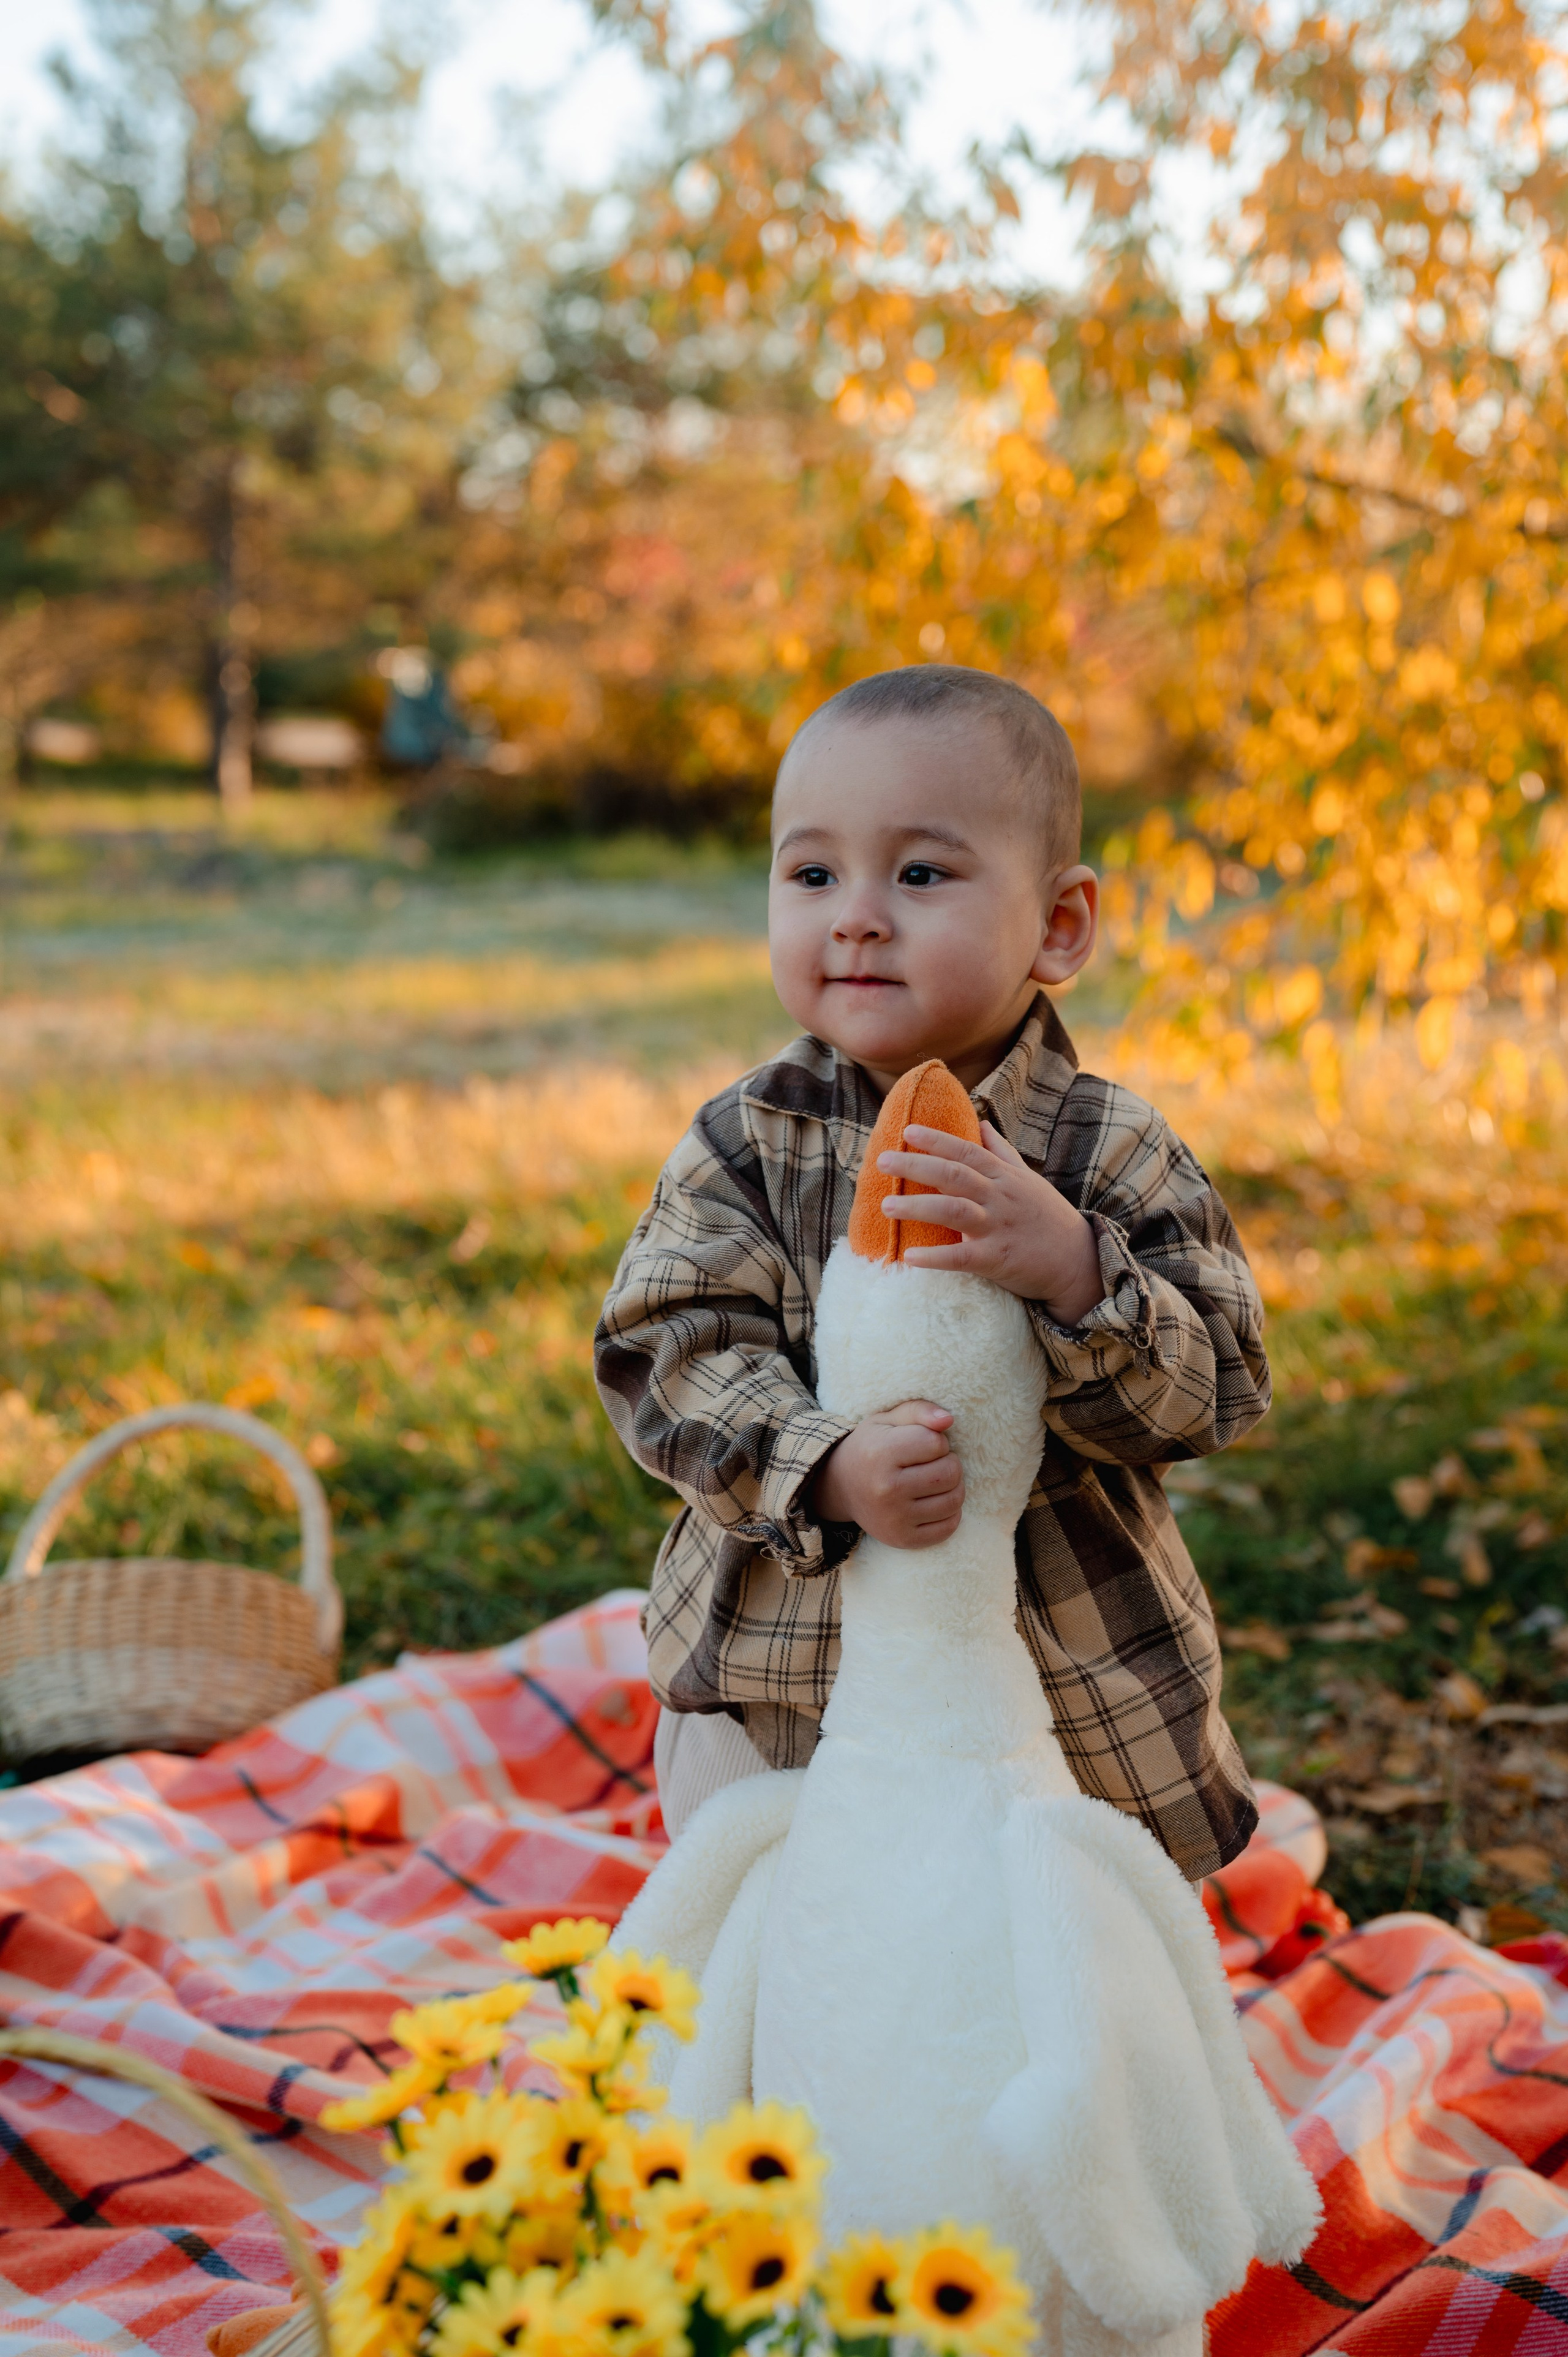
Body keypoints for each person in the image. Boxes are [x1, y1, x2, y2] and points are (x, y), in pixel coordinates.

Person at [594, 664, 1267, 1876]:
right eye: (811, 874)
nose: (854, 914)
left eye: (918, 873)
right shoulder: (748, 1140)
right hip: (783, 1677)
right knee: (770, 1912)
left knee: (1049, 1923)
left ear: (1058, 924)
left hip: (1058, 1676)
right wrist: (821, 1465)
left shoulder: (1099, 1149)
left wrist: (1072, 1270)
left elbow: (1218, 1384)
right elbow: (661, 1349)